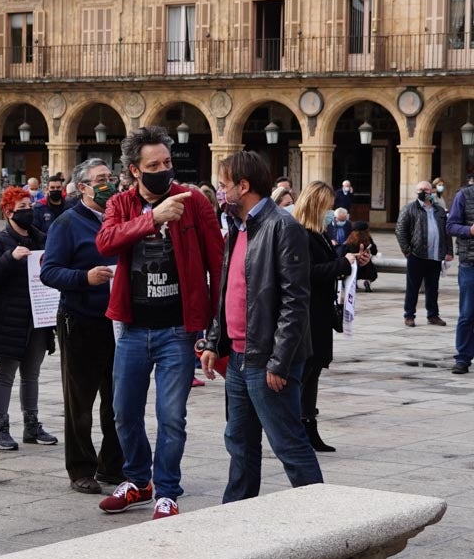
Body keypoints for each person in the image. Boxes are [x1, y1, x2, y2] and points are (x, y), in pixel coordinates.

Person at [94, 126, 223, 520]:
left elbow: (217, 262)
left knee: (172, 416)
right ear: (135, 170)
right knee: (124, 412)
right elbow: (106, 242)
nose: (163, 170)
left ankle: (167, 489)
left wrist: (216, 330)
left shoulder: (195, 202)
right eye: (154, 165)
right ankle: (138, 481)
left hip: (177, 331)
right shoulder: (120, 204)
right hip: (132, 328)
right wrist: (153, 219)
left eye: (167, 162)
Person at [201, 150, 323, 504]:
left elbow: (294, 301)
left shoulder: (283, 226)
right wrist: (213, 341)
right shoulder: (237, 227)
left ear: (244, 185)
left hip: (267, 360)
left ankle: (325, 517)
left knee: (288, 444)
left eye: (224, 186)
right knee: (239, 442)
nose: (221, 193)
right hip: (239, 357)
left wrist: (279, 361)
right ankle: (235, 514)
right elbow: (227, 290)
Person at [40, 159, 125, 494]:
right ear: (84, 187)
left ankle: (112, 465)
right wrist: (84, 278)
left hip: (118, 321)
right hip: (81, 320)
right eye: (100, 179)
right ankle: (81, 468)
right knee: (80, 401)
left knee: (118, 400)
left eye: (110, 177)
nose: (108, 184)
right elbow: (49, 272)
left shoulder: (118, 218)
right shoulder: (67, 223)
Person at [292, 181, 369, 453]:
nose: (331, 212)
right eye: (327, 207)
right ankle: (298, 429)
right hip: (308, 313)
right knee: (305, 371)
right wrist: (341, 263)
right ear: (315, 206)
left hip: (321, 312)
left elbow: (328, 265)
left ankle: (308, 425)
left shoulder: (319, 233)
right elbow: (308, 273)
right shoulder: (300, 234)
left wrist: (351, 261)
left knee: (313, 371)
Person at [0, 186, 58, 451]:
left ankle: (31, 424)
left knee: (31, 374)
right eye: (21, 208)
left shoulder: (42, 239)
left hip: (37, 316)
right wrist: (9, 258)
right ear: (8, 211)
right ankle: (0, 428)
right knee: (5, 374)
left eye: (29, 206)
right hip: (7, 319)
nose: (28, 212)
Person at [396, 181, 453, 328]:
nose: (424, 192)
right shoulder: (409, 209)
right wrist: (407, 251)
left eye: (426, 189)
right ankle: (409, 315)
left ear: (432, 191)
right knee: (413, 287)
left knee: (433, 287)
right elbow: (400, 230)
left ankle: (433, 315)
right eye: (421, 189)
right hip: (417, 255)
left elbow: (447, 232)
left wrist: (449, 251)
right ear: (416, 192)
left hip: (435, 255)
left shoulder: (439, 210)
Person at [447, 180, 474, 374]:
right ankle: (463, 358)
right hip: (470, 263)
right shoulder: (463, 195)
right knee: (467, 313)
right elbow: (451, 226)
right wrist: (470, 230)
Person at [343, 221, 379, 292]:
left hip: (352, 264)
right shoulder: (367, 239)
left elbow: (345, 251)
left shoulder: (350, 239)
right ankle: (367, 281)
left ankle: (352, 284)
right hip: (366, 264)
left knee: (351, 273)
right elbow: (374, 251)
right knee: (372, 273)